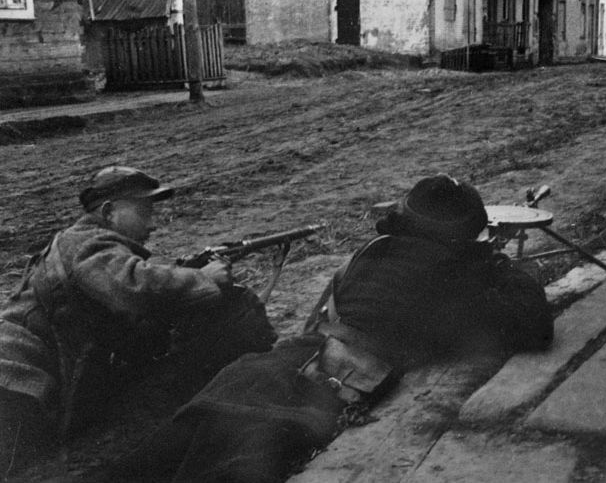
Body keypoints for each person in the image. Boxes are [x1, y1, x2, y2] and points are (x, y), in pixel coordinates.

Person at [112, 174, 553, 483]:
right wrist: (497, 263)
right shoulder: (456, 281)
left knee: (152, 462)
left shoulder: (372, 252)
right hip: (308, 398)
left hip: (263, 369)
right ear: (464, 235)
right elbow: (536, 326)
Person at [0, 166, 278, 482]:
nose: (152, 224)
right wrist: (202, 279)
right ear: (108, 212)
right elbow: (133, 286)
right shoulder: (85, 242)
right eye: (144, 212)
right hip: (10, 376)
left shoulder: (94, 247)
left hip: (23, 379)